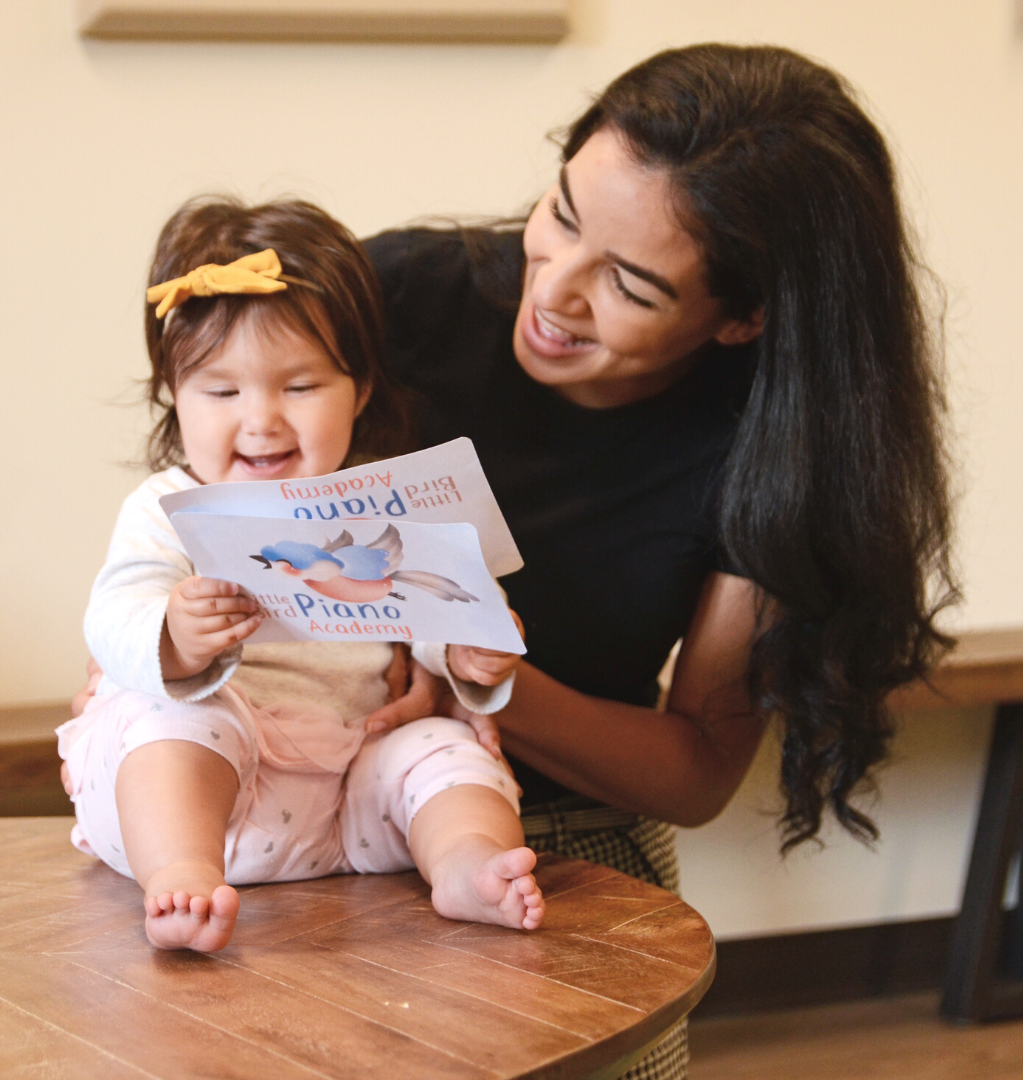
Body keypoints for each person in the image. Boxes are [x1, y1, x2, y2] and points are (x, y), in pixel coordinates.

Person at [353, 44, 955, 1080]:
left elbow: (694, 770)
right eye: (562, 214)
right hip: (317, 797)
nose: (555, 292)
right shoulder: (403, 297)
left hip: (565, 842)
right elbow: (219, 475)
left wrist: (489, 684)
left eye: (630, 285)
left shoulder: (767, 450)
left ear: (744, 319)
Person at [58, 198, 543, 954]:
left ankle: (464, 865)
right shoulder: (167, 508)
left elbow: (445, 607)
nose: (261, 421)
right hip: (216, 804)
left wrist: (470, 654)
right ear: (174, 397)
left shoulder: (384, 501)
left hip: (348, 796)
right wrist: (173, 638)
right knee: (179, 717)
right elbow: (114, 616)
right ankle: (180, 879)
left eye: (302, 387)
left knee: (441, 750)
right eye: (222, 392)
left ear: (362, 389)